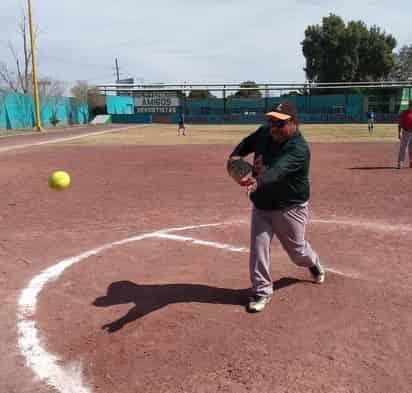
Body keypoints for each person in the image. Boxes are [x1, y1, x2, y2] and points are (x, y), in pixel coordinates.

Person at [228, 101, 325, 313]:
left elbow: (278, 171)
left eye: (280, 124)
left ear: (294, 123)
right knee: (258, 246)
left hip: (289, 207)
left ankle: (313, 260)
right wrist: (234, 157)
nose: (274, 128)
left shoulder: (299, 149)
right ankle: (262, 291)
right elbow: (245, 145)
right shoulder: (264, 133)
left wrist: (256, 182)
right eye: (271, 122)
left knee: (297, 252)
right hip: (262, 203)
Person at [398, 100, 412, 169]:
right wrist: (399, 132)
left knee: (411, 148)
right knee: (403, 148)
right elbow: (400, 123)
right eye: (411, 105)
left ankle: (411, 162)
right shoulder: (404, 113)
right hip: (406, 132)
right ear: (409, 105)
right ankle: (401, 162)